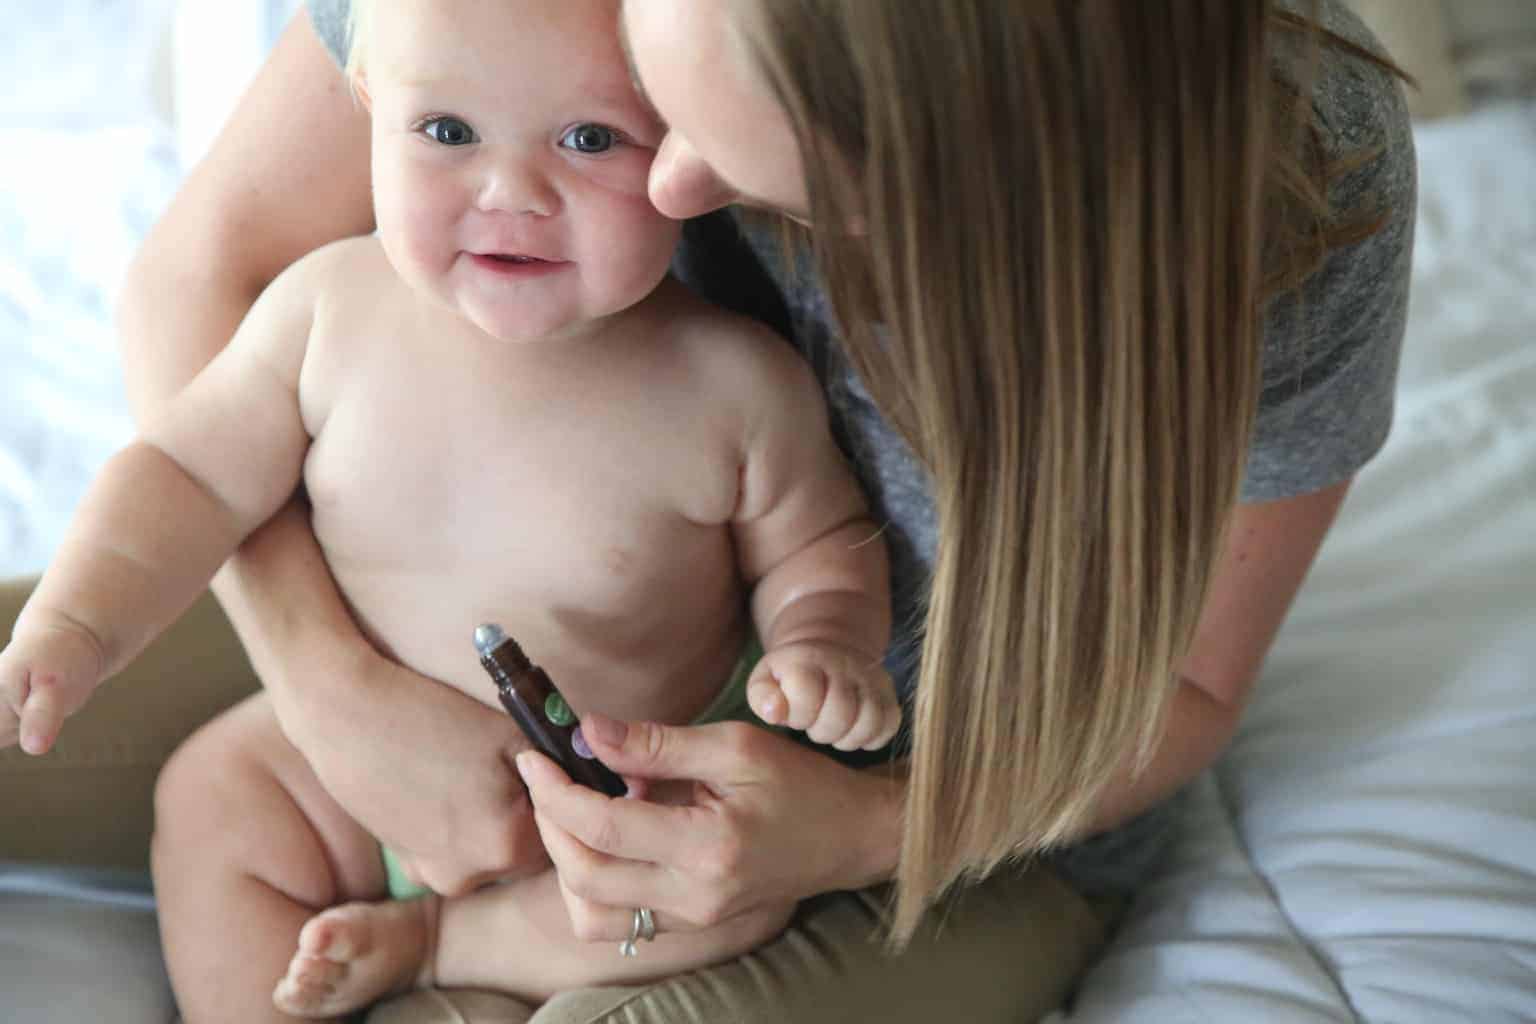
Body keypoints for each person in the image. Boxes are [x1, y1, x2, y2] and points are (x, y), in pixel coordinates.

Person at [0, 0, 1416, 1021]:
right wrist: (328, 690)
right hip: (388, 653)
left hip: (926, 801)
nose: (676, 191)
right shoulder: (349, 295)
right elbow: (202, 323)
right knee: (142, 763)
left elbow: (1165, 680)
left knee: (634, 976)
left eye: (624, 135)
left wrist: (853, 819)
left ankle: (442, 960)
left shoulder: (1293, 188)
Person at [0, 0, 903, 1019]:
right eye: (446, 132)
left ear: (685, 152)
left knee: (726, 902)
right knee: (213, 800)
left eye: (590, 138)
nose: (511, 190)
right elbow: (186, 476)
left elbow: (821, 546)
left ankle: (440, 944)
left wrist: (820, 645)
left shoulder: (734, 385)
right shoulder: (324, 312)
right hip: (336, 763)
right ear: (370, 106)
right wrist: (78, 621)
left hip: (604, 811)